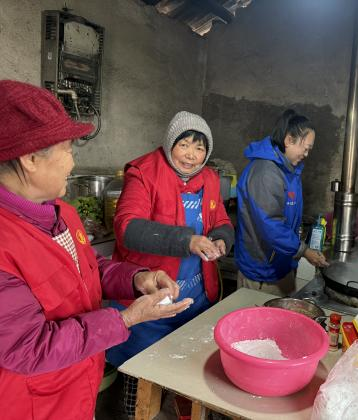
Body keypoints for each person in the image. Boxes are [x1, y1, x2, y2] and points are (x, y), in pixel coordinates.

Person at [0, 80, 191, 420]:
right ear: (30, 158)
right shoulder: (5, 243)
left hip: (77, 389)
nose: (72, 164)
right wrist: (126, 318)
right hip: (34, 406)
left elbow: (90, 269)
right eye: (69, 149)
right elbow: (28, 347)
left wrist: (137, 278)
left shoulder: (61, 212)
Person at [108, 110, 234, 416]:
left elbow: (221, 220)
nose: (191, 155)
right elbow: (127, 227)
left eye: (200, 147)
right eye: (184, 145)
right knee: (142, 379)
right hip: (150, 300)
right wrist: (186, 241)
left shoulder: (210, 179)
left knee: (185, 376)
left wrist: (221, 239)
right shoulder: (144, 173)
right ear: (169, 143)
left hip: (194, 297)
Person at [235, 109, 329, 297]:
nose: (307, 154)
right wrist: (303, 250)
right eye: (306, 147)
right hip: (262, 273)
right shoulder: (265, 173)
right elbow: (271, 225)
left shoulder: (288, 170)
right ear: (288, 140)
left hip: (280, 265)